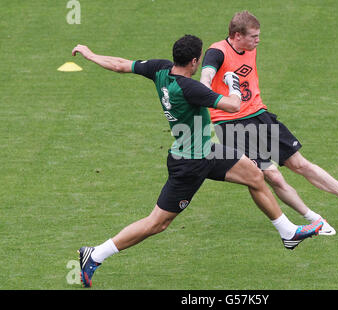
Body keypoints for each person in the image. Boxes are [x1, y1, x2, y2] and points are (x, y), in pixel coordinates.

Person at [71, 35, 323, 288]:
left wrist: (90, 54)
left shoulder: (159, 68)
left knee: (255, 175)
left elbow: (119, 64)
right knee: (157, 223)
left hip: (208, 151)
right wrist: (232, 83)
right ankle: (96, 254)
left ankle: (287, 232)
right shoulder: (191, 89)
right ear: (194, 61)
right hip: (189, 163)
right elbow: (233, 106)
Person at [200, 11, 338, 236]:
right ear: (237, 35)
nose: (258, 41)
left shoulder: (248, 48)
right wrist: (208, 93)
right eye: (254, 37)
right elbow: (206, 77)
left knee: (300, 164)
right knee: (271, 175)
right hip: (231, 125)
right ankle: (314, 219)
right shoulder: (217, 52)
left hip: (259, 115)